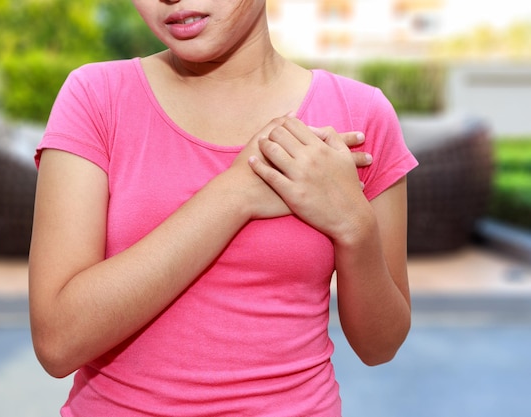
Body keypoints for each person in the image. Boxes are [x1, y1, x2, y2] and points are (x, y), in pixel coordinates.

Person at [29, 0, 418, 415]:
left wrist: (354, 226)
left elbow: (381, 345)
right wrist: (235, 194)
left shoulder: (359, 115)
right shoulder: (96, 97)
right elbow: (58, 342)